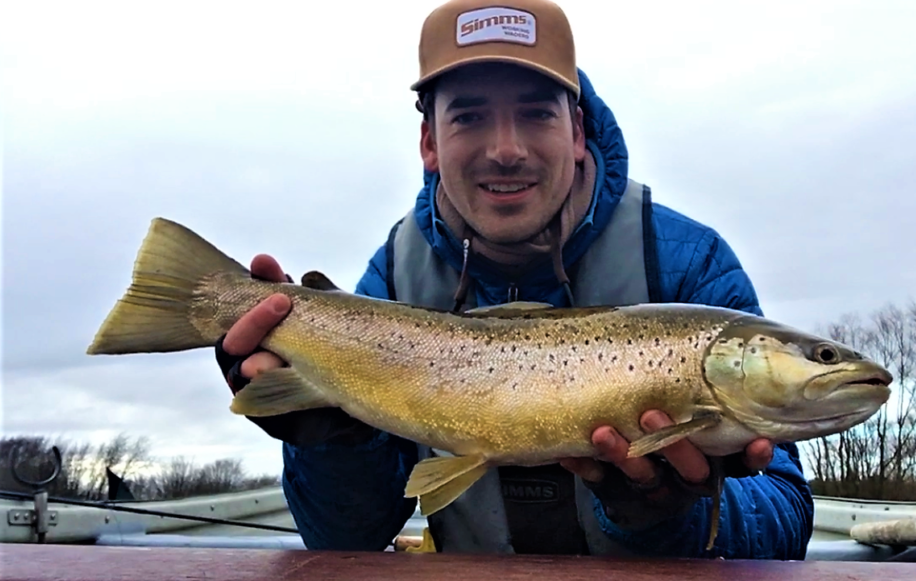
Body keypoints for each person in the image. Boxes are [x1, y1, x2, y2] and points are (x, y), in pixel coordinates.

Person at [214, 0, 814, 559]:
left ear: (577, 132)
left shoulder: (689, 263)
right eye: (470, 117)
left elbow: (787, 520)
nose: (505, 149)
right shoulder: (394, 275)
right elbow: (342, 538)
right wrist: (332, 443)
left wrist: (667, 514)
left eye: (535, 114)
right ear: (430, 142)